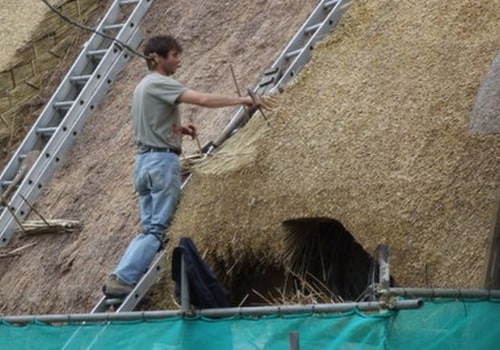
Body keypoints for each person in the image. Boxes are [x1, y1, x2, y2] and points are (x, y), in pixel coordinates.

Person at [102, 35, 257, 297]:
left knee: (149, 226)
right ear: (158, 58)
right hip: (161, 163)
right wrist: (241, 101)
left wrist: (179, 130)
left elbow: (150, 123)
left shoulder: (142, 87)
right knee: (157, 229)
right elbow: (202, 100)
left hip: (143, 162)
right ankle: (124, 278)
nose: (179, 60)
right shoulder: (160, 83)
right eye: (174, 55)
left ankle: (121, 275)